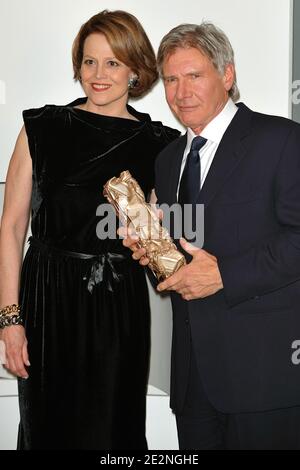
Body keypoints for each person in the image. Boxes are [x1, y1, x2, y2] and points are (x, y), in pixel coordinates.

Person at [0, 10, 179, 450]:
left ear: (136, 69)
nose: (99, 75)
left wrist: (156, 237)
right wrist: (10, 319)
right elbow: (11, 227)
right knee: (46, 430)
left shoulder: (160, 144)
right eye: (89, 62)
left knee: (112, 432)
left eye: (113, 63)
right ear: (77, 65)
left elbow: (164, 241)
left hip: (117, 308)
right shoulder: (41, 128)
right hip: (46, 302)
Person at [123, 22, 300, 449]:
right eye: (171, 79)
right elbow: (184, 268)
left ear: (227, 75)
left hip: (264, 378)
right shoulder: (167, 161)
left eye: (195, 75)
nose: (181, 92)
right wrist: (152, 255)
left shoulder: (282, 140)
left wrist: (226, 275)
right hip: (192, 383)